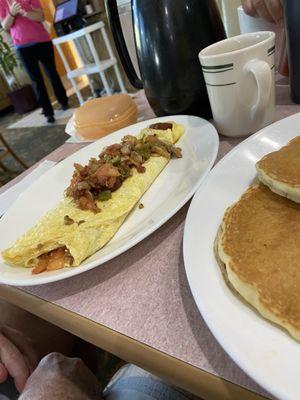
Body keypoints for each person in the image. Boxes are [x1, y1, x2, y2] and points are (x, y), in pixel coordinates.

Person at [0, 0, 69, 123]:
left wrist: (24, 12)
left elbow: (40, 16)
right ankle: (48, 113)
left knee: (52, 73)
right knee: (36, 80)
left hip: (42, 41)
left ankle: (64, 102)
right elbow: (5, 26)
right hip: (22, 47)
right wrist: (11, 13)